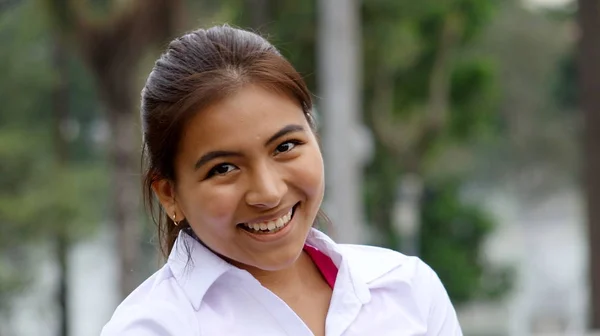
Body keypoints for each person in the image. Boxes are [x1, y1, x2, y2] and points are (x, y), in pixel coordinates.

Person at [101, 24, 463, 336]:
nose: (268, 192)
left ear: (314, 135)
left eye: (286, 146)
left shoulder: (406, 289)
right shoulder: (152, 328)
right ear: (169, 194)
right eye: (223, 168)